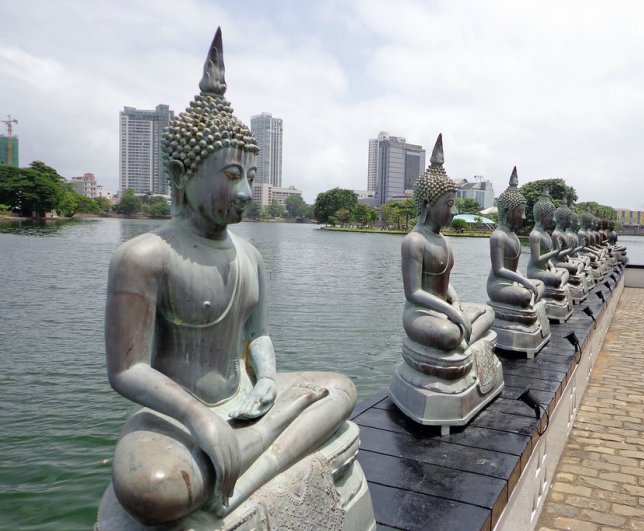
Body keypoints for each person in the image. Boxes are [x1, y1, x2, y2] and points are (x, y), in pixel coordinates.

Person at [105, 29, 356, 525]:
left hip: (243, 400)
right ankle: (264, 445)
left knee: (340, 389)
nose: (245, 192)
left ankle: (246, 457)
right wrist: (198, 416)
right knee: (153, 490)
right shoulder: (145, 257)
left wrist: (267, 380)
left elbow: (257, 334)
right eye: (232, 175)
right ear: (182, 173)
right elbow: (127, 370)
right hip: (176, 415)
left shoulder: (251, 256)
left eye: (251, 178)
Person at [402, 134, 493, 352]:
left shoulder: (442, 239)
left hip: (443, 308)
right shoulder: (414, 241)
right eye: (449, 204)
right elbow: (414, 293)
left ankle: (463, 337)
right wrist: (453, 312)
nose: (454, 211)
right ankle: (462, 336)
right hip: (420, 313)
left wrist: (456, 302)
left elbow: (444, 282)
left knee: (489, 312)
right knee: (447, 334)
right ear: (427, 204)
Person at [487, 168, 545, 307]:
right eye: (520, 212)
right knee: (525, 295)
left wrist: (522, 279)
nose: (523, 217)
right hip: (497, 285)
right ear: (507, 211)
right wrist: (523, 281)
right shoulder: (498, 236)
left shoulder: (513, 236)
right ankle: (529, 301)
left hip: (512, 284)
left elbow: (513, 268)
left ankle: (530, 302)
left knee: (540, 284)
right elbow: (499, 270)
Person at [526, 189, 569, 288]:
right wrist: (556, 251)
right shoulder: (535, 235)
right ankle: (558, 286)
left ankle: (559, 286)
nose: (553, 220)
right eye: (551, 216)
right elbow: (537, 259)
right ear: (542, 216)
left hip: (545, 270)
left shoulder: (546, 234)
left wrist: (552, 267)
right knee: (557, 278)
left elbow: (546, 257)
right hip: (535, 272)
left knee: (565, 271)